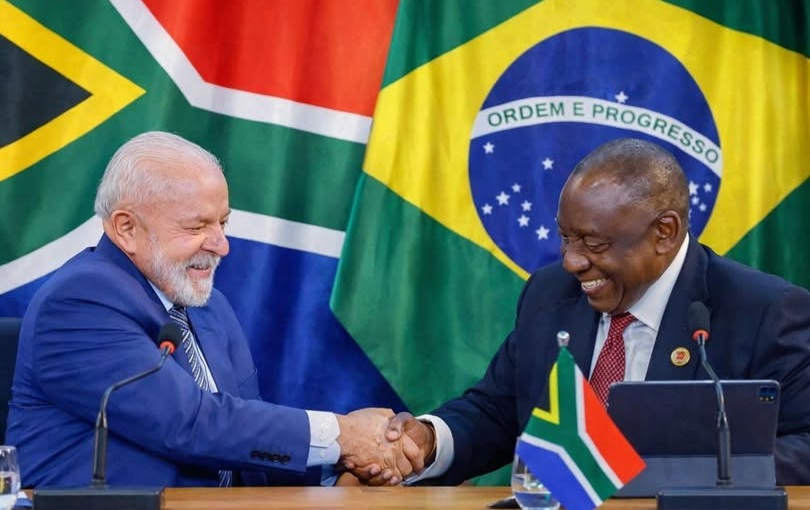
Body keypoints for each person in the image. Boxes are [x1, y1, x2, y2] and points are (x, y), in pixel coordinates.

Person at [350, 137, 810, 486]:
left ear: (665, 233)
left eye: (594, 243)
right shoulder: (551, 294)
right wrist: (428, 442)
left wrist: (662, 472)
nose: (572, 261)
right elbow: (498, 411)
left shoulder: (764, 310)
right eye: (566, 238)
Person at [5, 131, 419, 488]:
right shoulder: (80, 301)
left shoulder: (207, 307)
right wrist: (344, 435)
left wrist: (343, 466)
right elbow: (189, 423)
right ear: (126, 228)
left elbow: (240, 443)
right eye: (197, 226)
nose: (221, 245)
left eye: (223, 222)